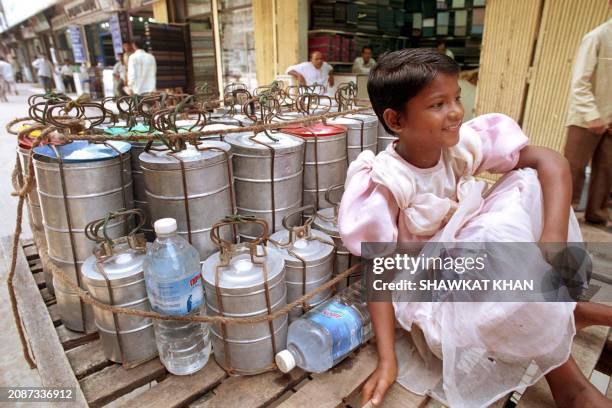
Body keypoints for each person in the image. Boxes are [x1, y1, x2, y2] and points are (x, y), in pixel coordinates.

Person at [338, 48, 612, 407]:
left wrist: (554, 238)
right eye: (438, 104)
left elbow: (551, 161)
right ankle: (569, 384)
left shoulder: (458, 146)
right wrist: (388, 359)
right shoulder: (389, 182)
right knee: (493, 240)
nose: (455, 112)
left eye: (456, 98)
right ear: (396, 120)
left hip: (472, 265)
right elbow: (380, 273)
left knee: (527, 180)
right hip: (432, 294)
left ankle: (567, 311)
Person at [563, 17, 611, 225]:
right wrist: (593, 115)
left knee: (607, 169)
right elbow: (579, 82)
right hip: (586, 117)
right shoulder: (596, 37)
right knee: (574, 168)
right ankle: (565, 215)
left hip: (610, 118)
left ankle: (596, 215)